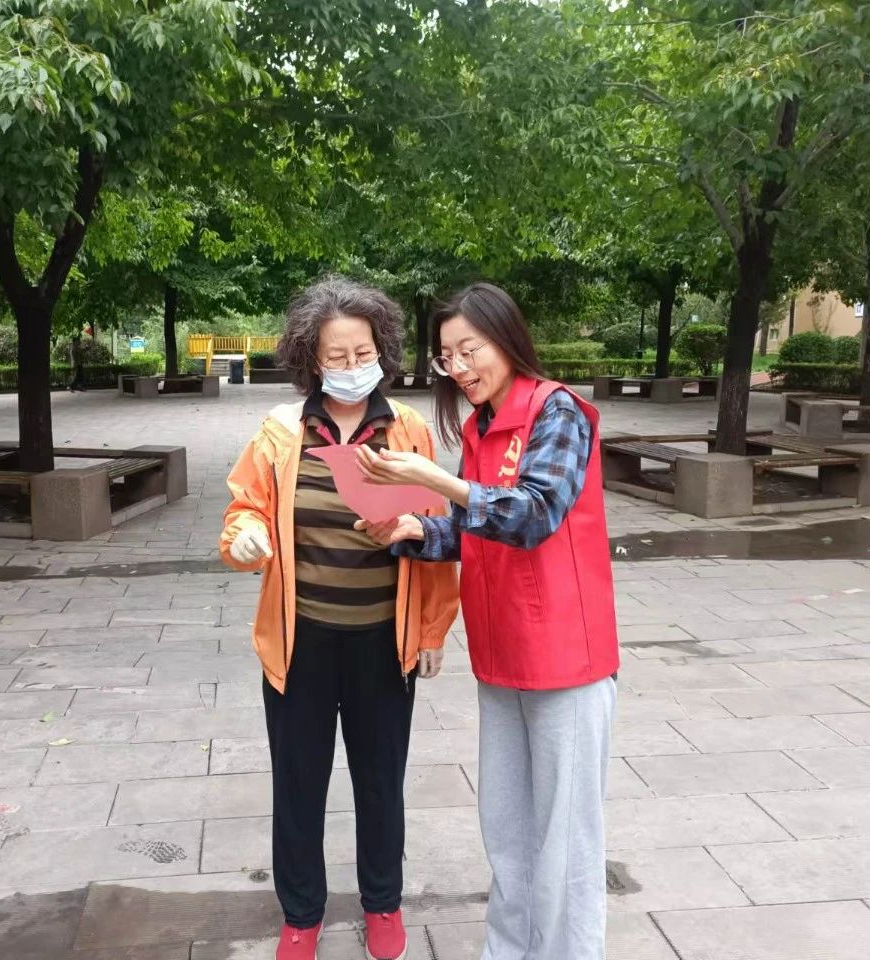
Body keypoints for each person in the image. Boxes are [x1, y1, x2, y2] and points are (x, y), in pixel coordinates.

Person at [355, 282, 619, 960]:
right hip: (501, 652)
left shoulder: (556, 410)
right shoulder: (479, 427)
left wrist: (434, 480)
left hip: (565, 656)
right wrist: (415, 528)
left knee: (565, 835)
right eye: (447, 357)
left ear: (506, 338)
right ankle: (508, 949)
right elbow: (478, 527)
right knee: (506, 826)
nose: (460, 368)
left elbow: (533, 513)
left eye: (470, 349)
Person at [220, 276, 459, 960]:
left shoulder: (406, 429)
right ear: (311, 359)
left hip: (384, 641)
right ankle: (301, 914)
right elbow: (245, 507)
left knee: (381, 781)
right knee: (298, 783)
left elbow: (434, 531)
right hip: (300, 642)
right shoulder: (282, 432)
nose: (352, 367)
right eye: (337, 356)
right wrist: (244, 536)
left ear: (382, 350)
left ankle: (383, 903)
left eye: (363, 354)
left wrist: (433, 630)